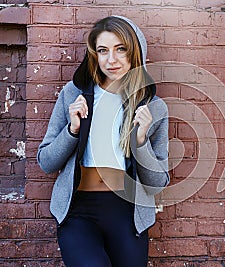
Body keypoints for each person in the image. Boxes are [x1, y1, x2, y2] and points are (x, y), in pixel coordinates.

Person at [37, 16, 170, 267]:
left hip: (127, 213)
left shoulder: (153, 108)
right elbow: (46, 161)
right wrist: (72, 129)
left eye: (121, 49)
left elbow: (157, 183)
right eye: (103, 50)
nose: (112, 59)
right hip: (79, 212)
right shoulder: (73, 95)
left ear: (135, 52)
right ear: (94, 55)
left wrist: (140, 141)